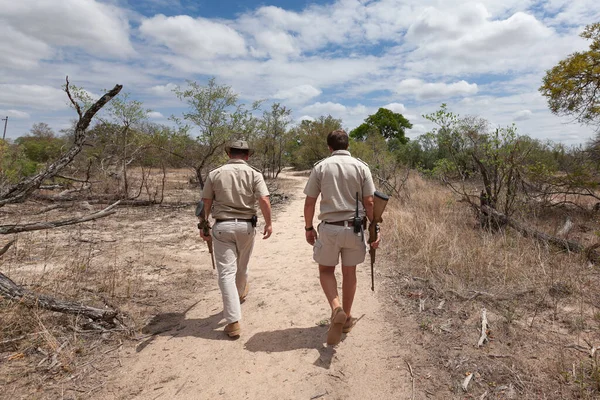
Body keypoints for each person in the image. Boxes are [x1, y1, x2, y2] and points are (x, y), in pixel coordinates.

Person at [303, 129, 380, 346]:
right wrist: (375, 229)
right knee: (350, 272)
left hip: (329, 228)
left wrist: (309, 227)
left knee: (326, 270)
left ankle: (336, 307)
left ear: (329, 147)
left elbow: (310, 202)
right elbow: (370, 202)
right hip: (354, 229)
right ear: (348, 145)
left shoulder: (320, 167)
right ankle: (346, 318)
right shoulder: (361, 167)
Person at [199, 139, 273, 338]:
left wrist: (204, 225)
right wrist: (269, 223)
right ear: (247, 155)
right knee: (242, 266)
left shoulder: (215, 174)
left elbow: (206, 202)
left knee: (225, 273)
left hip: (222, 226)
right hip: (246, 226)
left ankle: (233, 320)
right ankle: (239, 295)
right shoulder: (254, 173)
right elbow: (264, 199)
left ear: (228, 153)